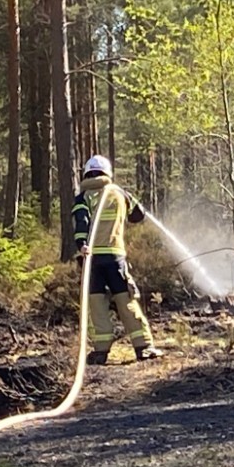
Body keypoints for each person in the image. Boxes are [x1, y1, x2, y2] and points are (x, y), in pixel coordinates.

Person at [73, 155, 163, 364]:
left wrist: (82, 246)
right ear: (108, 173)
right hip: (115, 258)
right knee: (126, 300)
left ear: (87, 173)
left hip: (92, 260)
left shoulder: (83, 198)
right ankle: (144, 347)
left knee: (96, 304)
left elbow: (81, 224)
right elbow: (138, 215)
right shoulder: (119, 193)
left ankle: (100, 351)